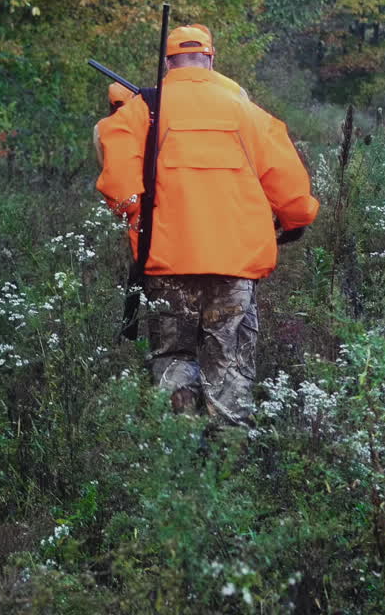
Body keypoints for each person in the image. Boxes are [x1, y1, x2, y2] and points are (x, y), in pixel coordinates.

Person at [94, 24, 319, 426]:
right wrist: (294, 221)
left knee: (173, 359)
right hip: (233, 267)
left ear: (168, 64)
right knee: (228, 366)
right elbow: (293, 195)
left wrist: (139, 216)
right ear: (211, 60)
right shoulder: (247, 111)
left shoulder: (142, 110)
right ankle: (227, 455)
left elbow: (118, 185)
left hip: (167, 265)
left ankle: (182, 450)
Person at [94, 83, 136, 165]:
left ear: (110, 102)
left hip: (109, 173)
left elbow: (102, 161)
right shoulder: (140, 124)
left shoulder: (99, 127)